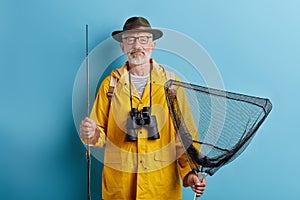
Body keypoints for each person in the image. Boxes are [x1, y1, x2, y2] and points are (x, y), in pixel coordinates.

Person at [80, 16, 206, 199]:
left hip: (161, 189)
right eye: (130, 39)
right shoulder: (110, 86)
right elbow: (98, 135)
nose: (137, 45)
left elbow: (186, 136)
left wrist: (191, 172)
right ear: (123, 46)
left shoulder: (171, 85)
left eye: (143, 39)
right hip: (120, 190)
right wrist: (91, 133)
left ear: (152, 45)